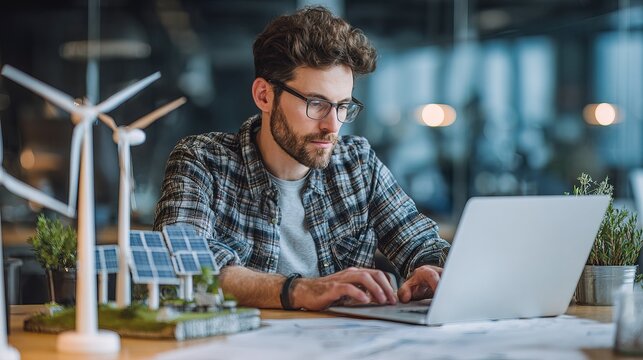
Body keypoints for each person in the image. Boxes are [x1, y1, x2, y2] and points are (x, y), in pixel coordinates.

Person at [154, 6, 450, 311]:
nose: (332, 125)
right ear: (264, 96)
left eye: (343, 106)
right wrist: (299, 290)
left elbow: (424, 245)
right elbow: (181, 269)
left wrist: (429, 270)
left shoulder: (357, 164)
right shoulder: (203, 161)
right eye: (316, 103)